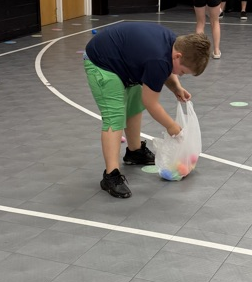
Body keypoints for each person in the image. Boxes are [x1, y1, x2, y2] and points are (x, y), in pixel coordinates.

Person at [83, 23, 211, 198]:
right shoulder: (158, 59)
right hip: (101, 62)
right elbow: (151, 103)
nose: (180, 75)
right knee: (114, 116)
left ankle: (134, 152)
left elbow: (165, 70)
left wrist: (176, 87)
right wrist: (172, 127)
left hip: (123, 61)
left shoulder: (174, 44)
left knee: (135, 104)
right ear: (178, 56)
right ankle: (111, 175)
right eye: (182, 71)